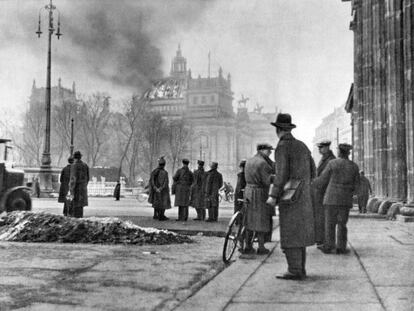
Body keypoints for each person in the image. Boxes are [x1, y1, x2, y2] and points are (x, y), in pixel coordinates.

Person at [266, 113, 316, 280]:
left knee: (289, 232)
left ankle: (294, 270)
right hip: (305, 196)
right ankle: (300, 269)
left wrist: (273, 195)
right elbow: (313, 171)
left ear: (278, 130)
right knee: (300, 233)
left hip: (290, 197)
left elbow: (281, 175)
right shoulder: (302, 146)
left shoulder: (282, 147)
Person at [313, 143, 360, 254]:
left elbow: (322, 180)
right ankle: (341, 247)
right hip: (345, 199)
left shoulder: (332, 163)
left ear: (339, 152)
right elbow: (357, 185)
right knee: (342, 224)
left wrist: (313, 183)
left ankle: (329, 246)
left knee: (329, 223)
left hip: (331, 198)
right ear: (348, 153)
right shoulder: (354, 166)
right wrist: (349, 192)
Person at [244, 144, 275, 254]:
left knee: (248, 219)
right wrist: (277, 178)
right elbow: (266, 181)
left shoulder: (249, 160)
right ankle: (261, 247)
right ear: (262, 150)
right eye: (268, 151)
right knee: (261, 219)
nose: (270, 153)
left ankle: (247, 246)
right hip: (259, 193)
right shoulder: (262, 163)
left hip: (248, 191)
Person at [313, 140, 336, 249]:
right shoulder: (325, 159)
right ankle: (320, 239)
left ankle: (323, 241)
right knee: (320, 216)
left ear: (327, 148)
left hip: (325, 192)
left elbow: (325, 178)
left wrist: (313, 182)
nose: (319, 150)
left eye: (321, 147)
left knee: (324, 218)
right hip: (321, 192)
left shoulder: (330, 160)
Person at [148, 157, 171, 221]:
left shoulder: (154, 171)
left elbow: (151, 181)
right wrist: (161, 188)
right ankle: (161, 215)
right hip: (163, 191)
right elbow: (166, 182)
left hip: (156, 190)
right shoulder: (165, 172)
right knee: (163, 203)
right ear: (164, 165)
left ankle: (156, 215)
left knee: (156, 202)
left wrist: (155, 188)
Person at [69, 151, 90, 218]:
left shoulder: (74, 165)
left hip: (76, 188)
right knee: (81, 206)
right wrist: (84, 185)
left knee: (74, 205)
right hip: (83, 187)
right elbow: (88, 177)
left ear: (74, 157)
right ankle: (80, 218)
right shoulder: (85, 165)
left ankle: (75, 219)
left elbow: (73, 179)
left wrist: (71, 189)